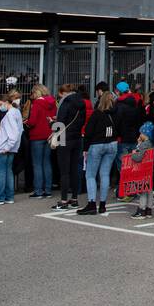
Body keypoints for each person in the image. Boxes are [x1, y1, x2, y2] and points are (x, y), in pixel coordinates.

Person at [77, 91, 117, 215]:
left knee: (90, 175)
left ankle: (92, 203)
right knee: (104, 174)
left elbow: (88, 132)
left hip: (97, 144)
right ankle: (103, 204)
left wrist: (85, 148)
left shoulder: (97, 114)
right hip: (112, 144)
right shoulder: (115, 114)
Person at [52, 83, 85, 211]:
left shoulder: (65, 103)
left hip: (64, 137)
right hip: (77, 137)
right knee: (75, 169)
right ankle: (75, 198)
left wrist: (53, 129)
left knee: (64, 171)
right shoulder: (81, 102)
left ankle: (64, 200)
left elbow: (60, 122)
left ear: (64, 93)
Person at [26, 84, 55, 199]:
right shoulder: (52, 103)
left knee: (37, 164)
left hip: (37, 136)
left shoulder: (36, 104)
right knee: (47, 163)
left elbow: (32, 121)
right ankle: (48, 190)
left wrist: (26, 122)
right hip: (49, 135)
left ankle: (38, 190)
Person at [0, 90, 21, 205]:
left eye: (1, 104)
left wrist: (7, 146)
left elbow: (13, 133)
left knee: (2, 172)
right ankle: (9, 196)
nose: (0, 107)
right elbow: (18, 131)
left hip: (5, 147)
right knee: (9, 171)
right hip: (11, 147)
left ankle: (0, 197)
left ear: (6, 102)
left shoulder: (9, 114)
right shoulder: (16, 112)